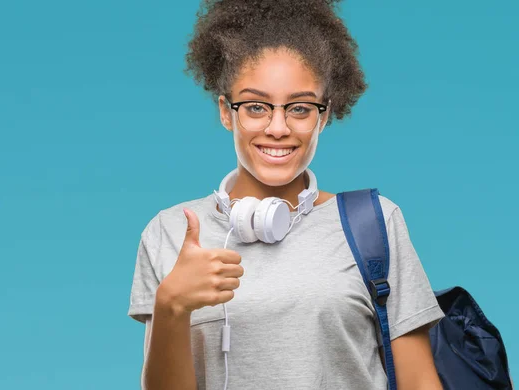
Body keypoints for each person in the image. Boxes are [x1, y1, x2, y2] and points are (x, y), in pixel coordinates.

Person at [128, 0, 445, 389]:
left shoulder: (373, 223)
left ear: (324, 115)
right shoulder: (169, 231)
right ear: (227, 112)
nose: (278, 128)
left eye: (299, 108)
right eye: (257, 106)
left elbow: (420, 383)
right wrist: (171, 306)